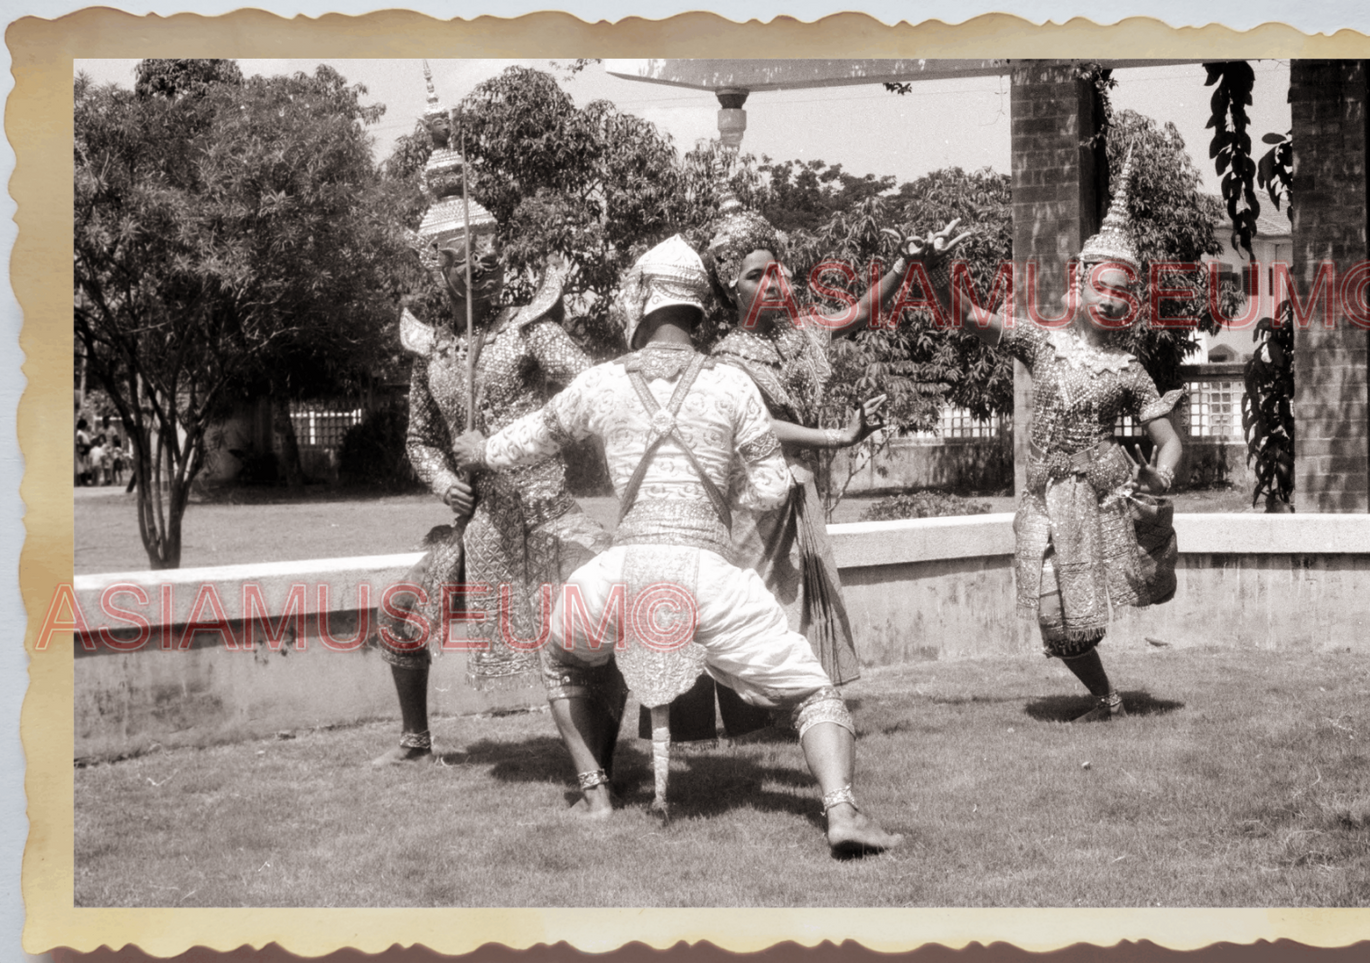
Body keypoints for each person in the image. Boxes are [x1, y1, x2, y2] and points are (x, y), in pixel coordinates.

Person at [453, 235, 903, 855]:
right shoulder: (732, 385)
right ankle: (842, 810)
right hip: (708, 576)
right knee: (811, 688)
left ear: (640, 301)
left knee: (560, 654)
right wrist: (722, 504)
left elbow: (528, 440)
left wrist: (480, 449)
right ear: (697, 309)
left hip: (621, 576)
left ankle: (596, 796)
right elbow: (773, 487)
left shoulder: (603, 382)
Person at [644, 197, 964, 741]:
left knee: (791, 606)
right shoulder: (725, 359)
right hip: (751, 503)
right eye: (754, 275)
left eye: (777, 271)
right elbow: (759, 427)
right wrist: (836, 437)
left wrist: (905, 265)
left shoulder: (802, 335)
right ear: (732, 292)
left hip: (796, 494)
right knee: (756, 607)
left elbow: (861, 311)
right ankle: (743, 720)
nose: (773, 282)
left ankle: (775, 719)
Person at [371, 67, 611, 767]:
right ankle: (415, 738)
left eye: (480, 253)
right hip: (475, 513)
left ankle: (597, 758)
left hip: (539, 507)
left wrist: (513, 442)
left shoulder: (530, 328)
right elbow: (419, 436)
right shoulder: (431, 346)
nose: (473, 267)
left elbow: (592, 389)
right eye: (454, 258)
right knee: (401, 611)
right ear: (434, 267)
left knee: (569, 633)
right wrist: (441, 474)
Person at [946, 153, 1184, 721]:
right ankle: (1106, 697)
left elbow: (1168, 438)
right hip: (1044, 496)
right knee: (1052, 614)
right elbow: (971, 319)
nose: (1109, 300)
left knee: (1070, 613)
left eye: (1122, 294)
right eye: (1102, 287)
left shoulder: (1128, 368)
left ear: (1132, 302)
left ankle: (1106, 701)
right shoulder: (1039, 343)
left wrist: (1161, 474)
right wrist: (936, 270)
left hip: (1099, 493)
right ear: (1079, 283)